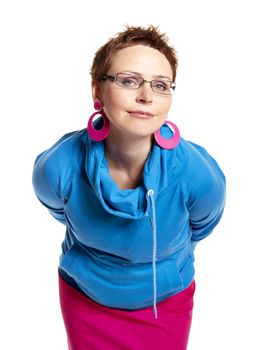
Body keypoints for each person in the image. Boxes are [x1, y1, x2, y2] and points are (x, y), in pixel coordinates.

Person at [32, 25, 226, 350]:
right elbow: (59, 209)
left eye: (160, 85)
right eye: (129, 80)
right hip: (85, 297)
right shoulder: (57, 167)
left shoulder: (197, 174)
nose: (146, 96)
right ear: (97, 90)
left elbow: (202, 226)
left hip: (163, 304)